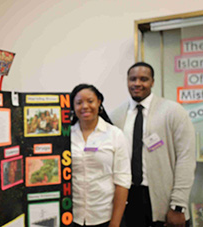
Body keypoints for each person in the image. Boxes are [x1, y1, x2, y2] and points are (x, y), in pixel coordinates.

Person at [110, 62, 196, 227]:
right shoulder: (117, 115)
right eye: (133, 79)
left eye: (144, 79)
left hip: (163, 200)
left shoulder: (173, 111)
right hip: (128, 198)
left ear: (152, 82)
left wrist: (178, 205)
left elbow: (186, 159)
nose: (137, 83)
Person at [71, 84, 131, 227]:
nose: (85, 106)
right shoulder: (66, 135)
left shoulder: (115, 135)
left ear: (99, 102)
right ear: (73, 107)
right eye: (79, 103)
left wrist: (115, 223)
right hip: (73, 217)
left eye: (90, 101)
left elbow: (122, 181)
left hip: (104, 217)